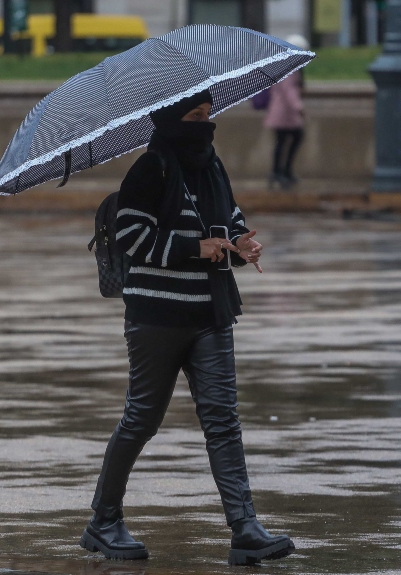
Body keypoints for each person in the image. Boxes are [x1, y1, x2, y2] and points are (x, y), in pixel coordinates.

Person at [80, 91, 293, 566]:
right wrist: (197, 248)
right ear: (173, 120)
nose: (205, 126)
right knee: (142, 419)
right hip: (157, 317)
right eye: (195, 117)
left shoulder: (211, 165)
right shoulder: (148, 169)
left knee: (223, 420)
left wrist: (240, 242)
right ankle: (103, 521)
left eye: (208, 116)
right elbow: (133, 236)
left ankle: (244, 528)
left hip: (210, 314)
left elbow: (228, 216)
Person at [266, 34, 308, 190]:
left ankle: (281, 171)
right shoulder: (288, 67)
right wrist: (299, 107)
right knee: (288, 140)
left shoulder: (285, 65)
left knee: (283, 141)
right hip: (284, 112)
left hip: (284, 112)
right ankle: (281, 171)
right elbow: (289, 90)